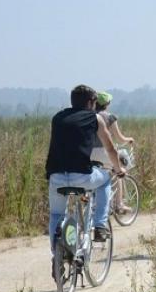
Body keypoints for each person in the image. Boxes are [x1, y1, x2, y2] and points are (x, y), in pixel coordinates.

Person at [45, 85, 126, 247]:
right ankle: (100, 225)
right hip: (81, 175)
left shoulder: (57, 117)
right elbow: (110, 148)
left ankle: (57, 256)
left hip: (56, 176)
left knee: (56, 214)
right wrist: (119, 170)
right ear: (90, 103)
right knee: (104, 180)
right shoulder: (95, 118)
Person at [91, 91, 135, 214]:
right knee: (118, 171)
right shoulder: (109, 117)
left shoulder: (88, 116)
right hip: (104, 153)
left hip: (89, 154)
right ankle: (119, 204)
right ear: (107, 103)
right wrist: (129, 139)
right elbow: (119, 139)